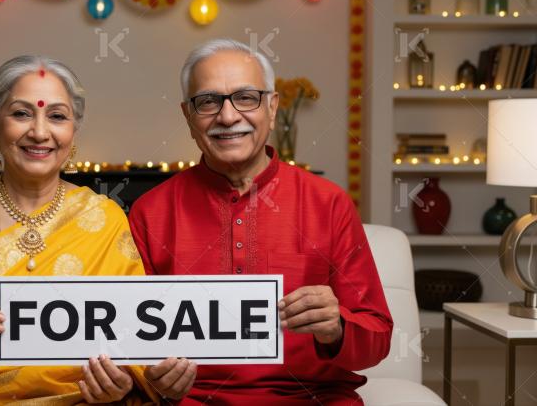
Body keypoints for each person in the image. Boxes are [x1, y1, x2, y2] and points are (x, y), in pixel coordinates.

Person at [0, 55, 194, 404]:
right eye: (21, 113)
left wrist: (121, 382)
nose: (39, 131)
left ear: (73, 131)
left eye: (57, 116)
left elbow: (135, 346)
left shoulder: (103, 217)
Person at [128, 39, 393, 405]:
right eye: (208, 101)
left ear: (272, 108)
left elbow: (377, 340)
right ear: (188, 118)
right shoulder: (150, 211)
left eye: (246, 97)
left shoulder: (329, 204)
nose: (227, 116)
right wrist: (152, 375)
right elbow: (130, 341)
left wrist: (337, 328)